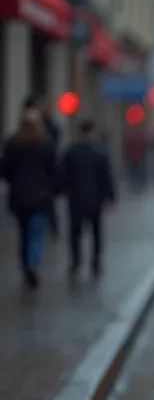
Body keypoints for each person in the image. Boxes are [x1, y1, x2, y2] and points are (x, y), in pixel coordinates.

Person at [2, 111, 60, 288]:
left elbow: (5, 169)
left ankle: (26, 265)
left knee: (24, 234)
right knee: (36, 233)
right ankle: (32, 263)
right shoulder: (46, 145)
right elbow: (54, 170)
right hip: (41, 197)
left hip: (20, 197)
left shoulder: (14, 144)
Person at [61, 118, 116, 279]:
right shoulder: (100, 151)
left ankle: (76, 262)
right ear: (92, 132)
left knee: (75, 233)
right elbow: (106, 176)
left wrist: (64, 190)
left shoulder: (71, 151)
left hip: (75, 198)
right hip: (95, 198)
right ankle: (95, 263)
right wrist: (110, 196)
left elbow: (63, 175)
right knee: (96, 233)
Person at [24, 93, 62, 236]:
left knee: (33, 230)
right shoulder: (18, 142)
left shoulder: (49, 135)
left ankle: (52, 226)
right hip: (31, 187)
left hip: (41, 185)